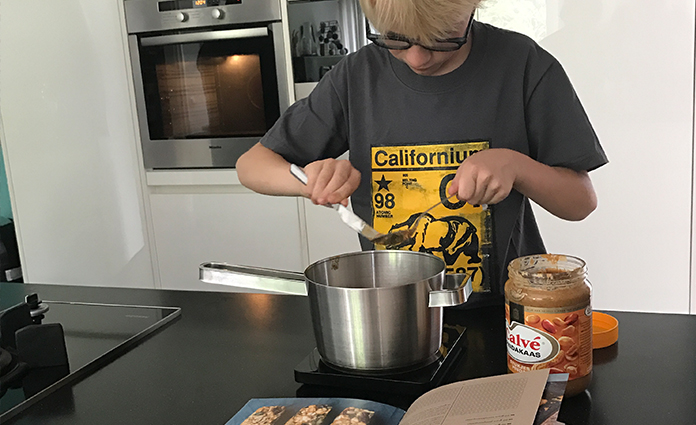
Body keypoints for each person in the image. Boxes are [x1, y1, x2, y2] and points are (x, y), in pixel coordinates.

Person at [236, 0, 608, 304]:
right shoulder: (357, 77)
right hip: (392, 312)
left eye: (442, 39)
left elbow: (580, 202)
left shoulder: (523, 65)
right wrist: (309, 181)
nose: (417, 59)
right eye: (395, 40)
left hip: (506, 315)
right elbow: (251, 165)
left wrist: (517, 166)